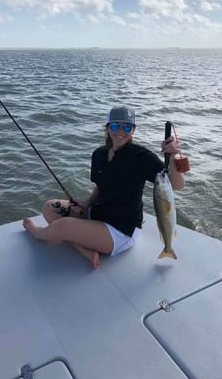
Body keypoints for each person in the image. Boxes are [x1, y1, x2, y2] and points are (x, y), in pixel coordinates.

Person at [23, 106, 185, 268]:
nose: (120, 131)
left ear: (133, 130)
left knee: (61, 226)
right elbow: (100, 186)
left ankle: (38, 233)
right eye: (115, 126)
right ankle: (85, 251)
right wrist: (87, 204)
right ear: (107, 128)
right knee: (49, 207)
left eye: (126, 126)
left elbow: (177, 185)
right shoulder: (99, 154)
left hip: (120, 230)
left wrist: (172, 157)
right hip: (97, 215)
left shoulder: (141, 157)